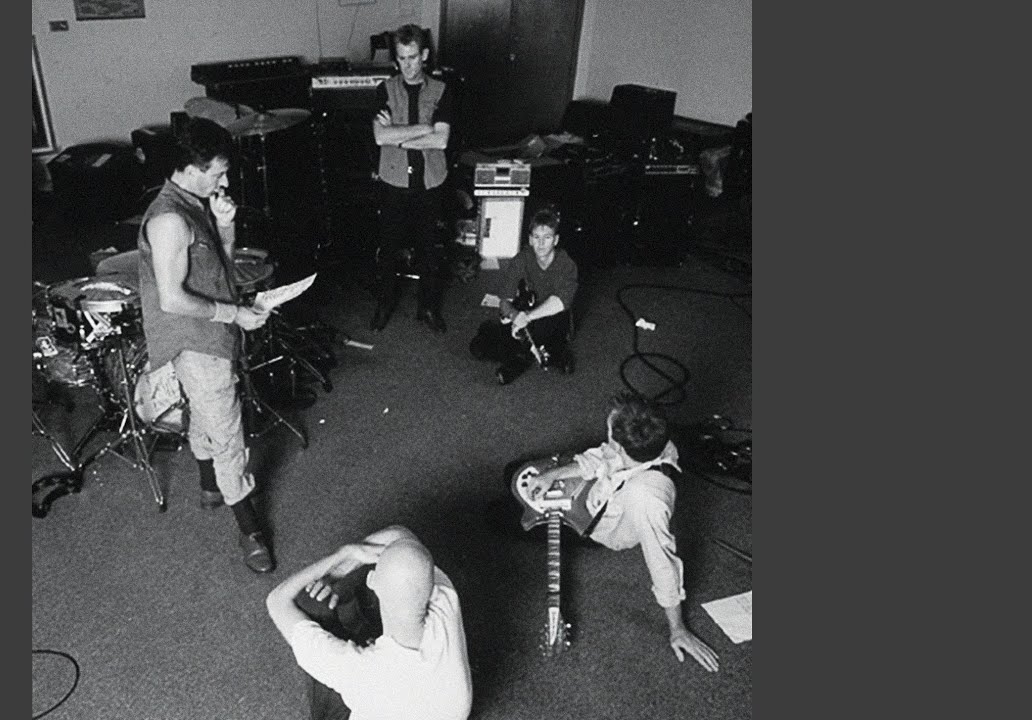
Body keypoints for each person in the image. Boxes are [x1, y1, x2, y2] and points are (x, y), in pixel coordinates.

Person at [136, 115, 276, 573]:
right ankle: (249, 529)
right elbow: (172, 299)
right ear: (191, 168)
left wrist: (225, 226)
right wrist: (236, 314)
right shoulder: (169, 220)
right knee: (227, 427)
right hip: (194, 338)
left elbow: (221, 271)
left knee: (205, 409)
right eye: (218, 172)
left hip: (209, 330)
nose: (225, 181)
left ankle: (209, 486)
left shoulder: (194, 205)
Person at [519, 394, 720, 671]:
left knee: (500, 515)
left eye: (610, 434)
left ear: (620, 447)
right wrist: (553, 475)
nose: (606, 437)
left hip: (598, 525)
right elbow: (605, 457)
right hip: (602, 490)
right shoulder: (655, 442)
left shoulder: (649, 501)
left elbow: (662, 562)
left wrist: (678, 628)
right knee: (513, 473)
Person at [266, 525, 472, 720]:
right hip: (437, 705)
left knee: (309, 600)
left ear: (371, 581)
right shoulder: (445, 596)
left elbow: (277, 600)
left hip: (376, 688)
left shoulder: (359, 672)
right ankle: (363, 630)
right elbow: (403, 539)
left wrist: (344, 556)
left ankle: (358, 628)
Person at [369, 24, 455, 334]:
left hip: (430, 180)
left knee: (429, 249)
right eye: (402, 58)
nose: (407, 65)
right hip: (394, 180)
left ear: (425, 55)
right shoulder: (384, 90)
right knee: (388, 247)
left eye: (413, 57)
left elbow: (441, 141)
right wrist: (423, 129)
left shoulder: (442, 91)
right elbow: (380, 137)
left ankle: (428, 308)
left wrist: (399, 136)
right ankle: (384, 305)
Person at [469, 206, 578, 384]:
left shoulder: (566, 264)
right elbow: (505, 300)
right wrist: (514, 316)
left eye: (547, 237)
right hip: (526, 313)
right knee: (478, 348)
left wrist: (526, 317)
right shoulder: (522, 259)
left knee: (542, 333)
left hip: (553, 317)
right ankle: (531, 352)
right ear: (530, 239)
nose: (541, 243)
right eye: (536, 237)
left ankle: (524, 358)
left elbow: (560, 302)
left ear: (556, 240)